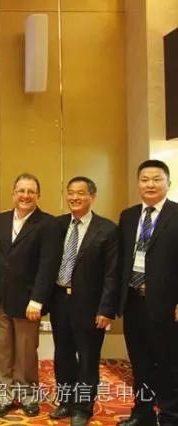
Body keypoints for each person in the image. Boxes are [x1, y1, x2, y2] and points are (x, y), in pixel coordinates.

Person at [0, 173, 58, 418]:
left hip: (29, 301)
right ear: (13, 193)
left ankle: (27, 396)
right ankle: (3, 397)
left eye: (31, 191)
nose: (25, 196)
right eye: (21, 191)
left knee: (26, 353)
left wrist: (37, 299)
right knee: (1, 352)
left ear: (38, 195)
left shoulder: (48, 224)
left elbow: (48, 265)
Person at [48, 177, 119, 426]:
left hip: (90, 304)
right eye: (71, 192)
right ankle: (66, 401)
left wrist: (106, 309)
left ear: (92, 196)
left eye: (80, 193)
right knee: (63, 354)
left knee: (88, 357)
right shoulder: (57, 225)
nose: (74, 197)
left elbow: (112, 274)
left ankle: (83, 407)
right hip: (59, 300)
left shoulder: (107, 229)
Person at [117, 160, 178, 426]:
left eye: (156, 179)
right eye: (144, 179)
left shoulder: (176, 214)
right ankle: (142, 413)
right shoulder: (129, 216)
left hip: (167, 304)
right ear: (138, 184)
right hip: (133, 300)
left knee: (168, 362)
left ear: (168, 183)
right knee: (139, 362)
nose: (150, 184)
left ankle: (170, 415)